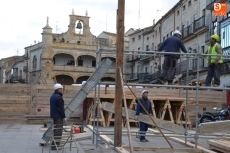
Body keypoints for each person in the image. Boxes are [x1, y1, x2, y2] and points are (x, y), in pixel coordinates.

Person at [50, 83, 66, 150]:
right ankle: (55, 146)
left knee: (55, 130)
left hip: (54, 116)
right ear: (58, 89)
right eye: (61, 89)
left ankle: (54, 145)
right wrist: (64, 116)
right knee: (58, 131)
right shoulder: (59, 98)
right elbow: (60, 109)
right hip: (59, 116)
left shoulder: (52, 96)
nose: (62, 90)